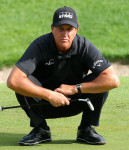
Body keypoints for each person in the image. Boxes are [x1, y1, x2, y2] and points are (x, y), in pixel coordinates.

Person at [7, 6, 120, 146]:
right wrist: (49, 95)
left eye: (69, 29)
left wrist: (75, 89)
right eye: (61, 29)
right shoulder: (40, 45)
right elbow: (13, 80)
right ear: (52, 28)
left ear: (76, 30)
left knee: (101, 80)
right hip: (43, 103)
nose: (65, 34)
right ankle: (41, 130)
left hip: (76, 101)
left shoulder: (84, 46)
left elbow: (113, 80)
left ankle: (86, 129)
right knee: (23, 83)